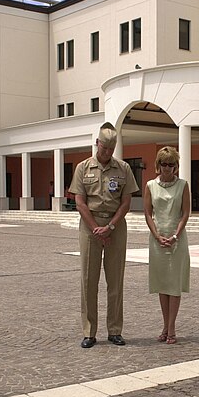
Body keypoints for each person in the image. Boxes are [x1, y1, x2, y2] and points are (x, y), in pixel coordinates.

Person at [68, 122, 138, 349]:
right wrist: (96, 229)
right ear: (97, 144)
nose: (107, 152)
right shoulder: (83, 167)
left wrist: (111, 227)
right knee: (88, 280)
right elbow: (80, 202)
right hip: (90, 227)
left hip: (115, 225)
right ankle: (89, 331)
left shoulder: (123, 168)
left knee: (115, 280)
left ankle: (115, 330)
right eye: (104, 148)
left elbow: (126, 202)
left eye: (111, 149)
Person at [143, 147, 191, 344]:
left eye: (172, 164)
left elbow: (186, 213)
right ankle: (164, 324)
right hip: (157, 240)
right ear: (158, 165)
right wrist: (157, 236)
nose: (168, 168)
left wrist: (175, 235)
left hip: (177, 240)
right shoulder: (150, 186)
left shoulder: (183, 185)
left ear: (176, 166)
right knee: (163, 284)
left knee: (174, 285)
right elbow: (147, 213)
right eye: (164, 164)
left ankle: (172, 328)